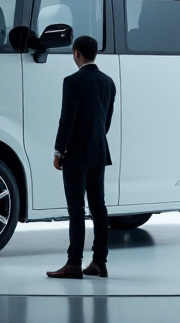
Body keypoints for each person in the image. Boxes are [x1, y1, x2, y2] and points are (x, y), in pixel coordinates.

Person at [46, 36, 116, 280]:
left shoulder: (72, 82)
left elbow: (68, 119)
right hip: (99, 151)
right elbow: (105, 121)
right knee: (99, 208)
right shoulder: (108, 82)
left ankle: (74, 263)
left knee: (76, 208)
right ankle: (99, 262)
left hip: (76, 154)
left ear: (76, 53)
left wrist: (59, 151)